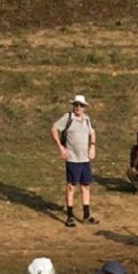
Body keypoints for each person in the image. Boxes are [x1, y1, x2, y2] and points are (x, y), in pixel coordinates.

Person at [51, 94, 98, 227]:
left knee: (86, 186)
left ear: (84, 107)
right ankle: (70, 216)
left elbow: (92, 132)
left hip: (85, 159)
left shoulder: (87, 119)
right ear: (73, 106)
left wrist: (92, 146)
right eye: (76, 105)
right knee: (71, 186)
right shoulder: (68, 118)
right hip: (72, 159)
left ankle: (87, 215)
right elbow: (54, 129)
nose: (78, 107)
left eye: (81, 105)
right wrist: (60, 147)